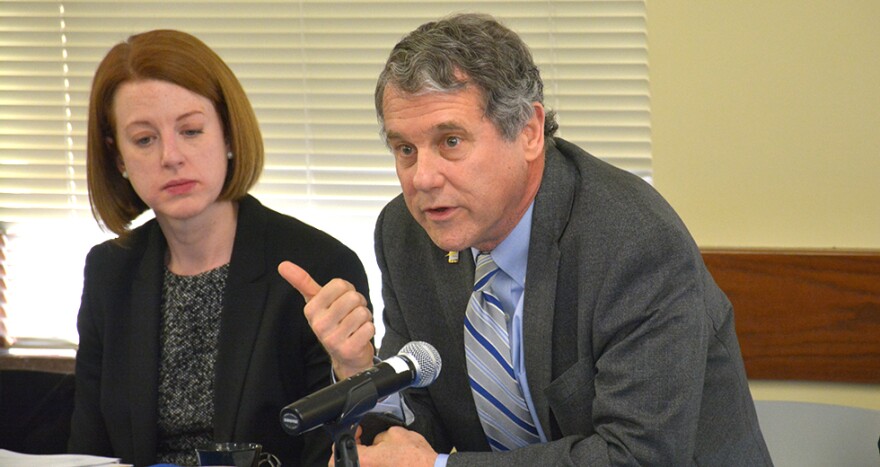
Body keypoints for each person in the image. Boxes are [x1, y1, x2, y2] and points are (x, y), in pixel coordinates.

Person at [280, 13, 773, 466]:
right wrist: (359, 372)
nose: (423, 178)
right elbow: (418, 420)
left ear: (530, 132)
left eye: (450, 141)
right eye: (405, 149)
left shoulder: (634, 242)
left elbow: (637, 458)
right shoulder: (407, 234)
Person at [68, 29, 371, 467]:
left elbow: (340, 451)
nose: (170, 156)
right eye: (144, 139)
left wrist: (354, 371)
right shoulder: (108, 270)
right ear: (118, 159)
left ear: (228, 134)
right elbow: (87, 450)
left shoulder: (317, 265)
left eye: (190, 130)